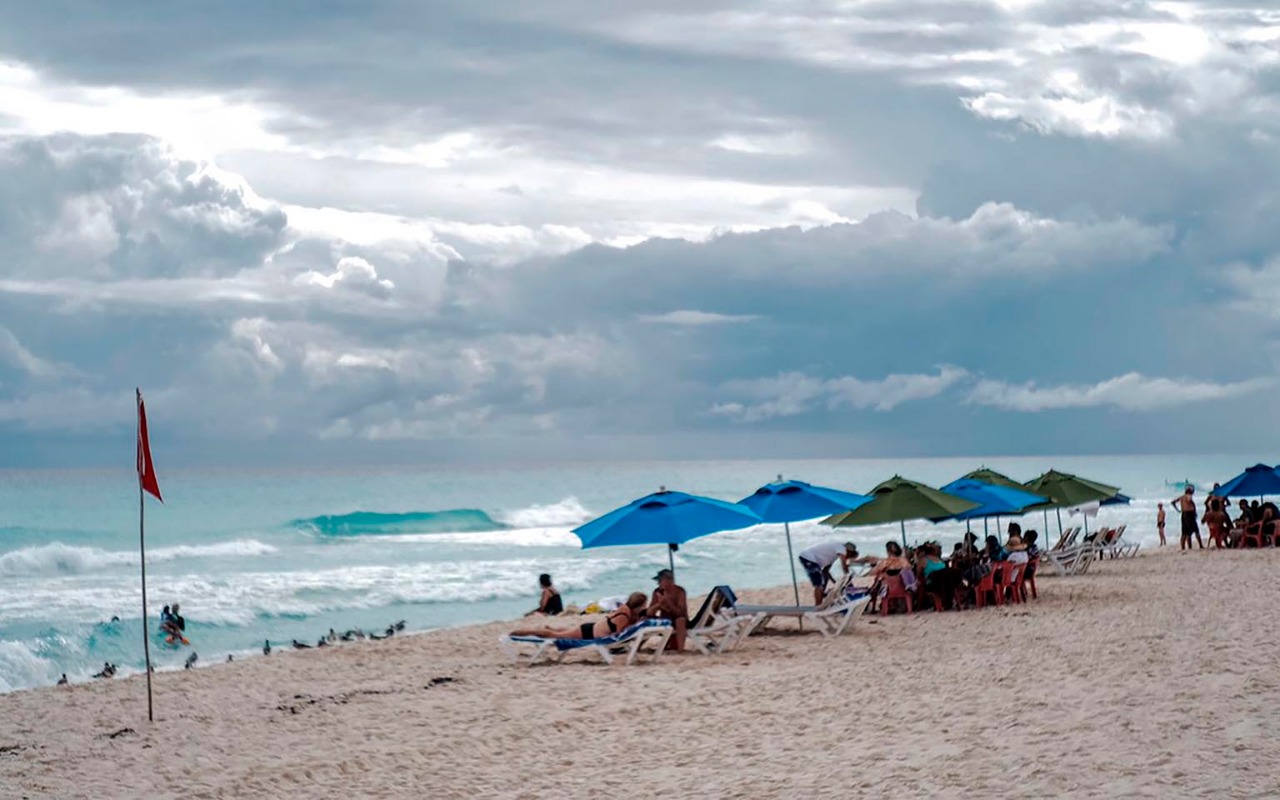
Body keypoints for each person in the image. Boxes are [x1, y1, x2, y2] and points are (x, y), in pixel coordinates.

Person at [511, 592, 647, 640]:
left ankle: (549, 627)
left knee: (560, 632)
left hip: (591, 629)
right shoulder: (625, 614)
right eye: (644, 605)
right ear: (639, 605)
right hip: (588, 632)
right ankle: (523, 632)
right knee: (555, 635)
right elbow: (619, 634)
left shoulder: (626, 609)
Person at [797, 541, 859, 605]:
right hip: (808, 558)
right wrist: (848, 578)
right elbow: (844, 566)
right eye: (848, 557)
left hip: (810, 558)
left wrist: (835, 582)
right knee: (819, 584)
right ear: (848, 552)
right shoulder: (841, 548)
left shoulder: (834, 554)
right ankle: (818, 606)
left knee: (824, 577)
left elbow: (825, 571)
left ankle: (821, 595)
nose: (846, 558)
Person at [645, 569, 688, 651]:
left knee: (680, 621)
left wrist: (668, 602)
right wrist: (659, 605)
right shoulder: (657, 591)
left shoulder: (680, 592)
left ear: (670, 581)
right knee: (644, 619)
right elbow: (649, 612)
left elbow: (680, 613)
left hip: (678, 620)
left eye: (660, 581)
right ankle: (637, 646)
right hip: (664, 620)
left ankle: (680, 650)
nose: (658, 583)